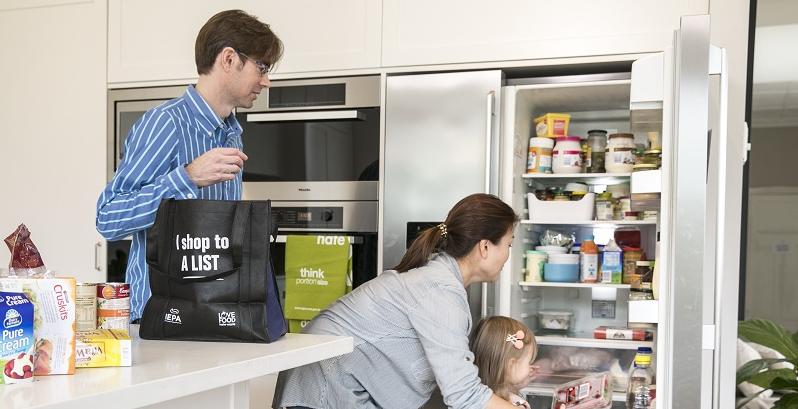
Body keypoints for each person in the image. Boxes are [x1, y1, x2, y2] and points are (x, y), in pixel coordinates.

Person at [95, 9, 282, 322]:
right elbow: (109, 217)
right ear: (228, 59)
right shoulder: (165, 123)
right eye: (261, 67)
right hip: (159, 320)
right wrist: (188, 177)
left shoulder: (232, 133)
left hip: (216, 312)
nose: (266, 81)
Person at [273, 193, 525, 409]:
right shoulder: (439, 292)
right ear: (484, 247)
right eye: (508, 245)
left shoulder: (439, 282)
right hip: (320, 395)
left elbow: (452, 379)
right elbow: (464, 396)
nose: (507, 256)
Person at [470, 316, 539, 409]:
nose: (531, 366)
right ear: (511, 366)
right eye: (529, 362)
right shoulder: (512, 405)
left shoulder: (477, 398)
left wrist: (519, 385)